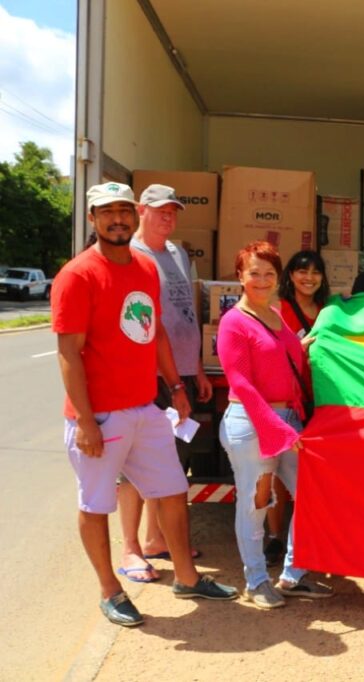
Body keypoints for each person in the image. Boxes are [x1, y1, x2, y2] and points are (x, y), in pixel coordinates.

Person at [52, 182, 238, 627]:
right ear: (93, 218)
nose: (117, 218)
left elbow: (152, 332)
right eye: (107, 211)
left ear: (133, 215)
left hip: (146, 408)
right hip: (100, 414)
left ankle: (188, 578)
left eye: (123, 210)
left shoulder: (145, 267)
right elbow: (68, 354)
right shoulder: (77, 275)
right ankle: (110, 590)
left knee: (173, 491)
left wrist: (176, 386)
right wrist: (84, 420)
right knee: (96, 504)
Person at [217, 241, 335, 608]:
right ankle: (255, 581)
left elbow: (283, 361)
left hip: (286, 419)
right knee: (255, 503)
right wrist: (278, 428)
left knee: (314, 495)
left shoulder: (275, 314)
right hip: (252, 423)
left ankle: (292, 574)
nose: (262, 280)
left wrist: (304, 349)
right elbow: (242, 384)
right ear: (240, 276)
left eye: (269, 273)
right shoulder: (233, 321)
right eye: (254, 273)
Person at [116, 184, 210, 583]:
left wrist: (197, 367)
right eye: (160, 211)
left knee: (170, 459)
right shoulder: (131, 255)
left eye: (173, 211)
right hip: (147, 373)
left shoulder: (176, 252)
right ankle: (131, 548)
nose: (168, 217)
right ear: (141, 210)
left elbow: (187, 309)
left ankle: (156, 538)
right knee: (134, 462)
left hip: (182, 370)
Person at [264, 249, 331, 565]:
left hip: (320, 401)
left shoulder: (328, 311)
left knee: (313, 475)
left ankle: (309, 538)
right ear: (290, 275)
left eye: (316, 272)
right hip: (287, 402)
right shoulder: (278, 309)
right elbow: (270, 354)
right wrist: (300, 347)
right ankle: (275, 537)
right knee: (278, 473)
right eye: (303, 271)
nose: (309, 278)